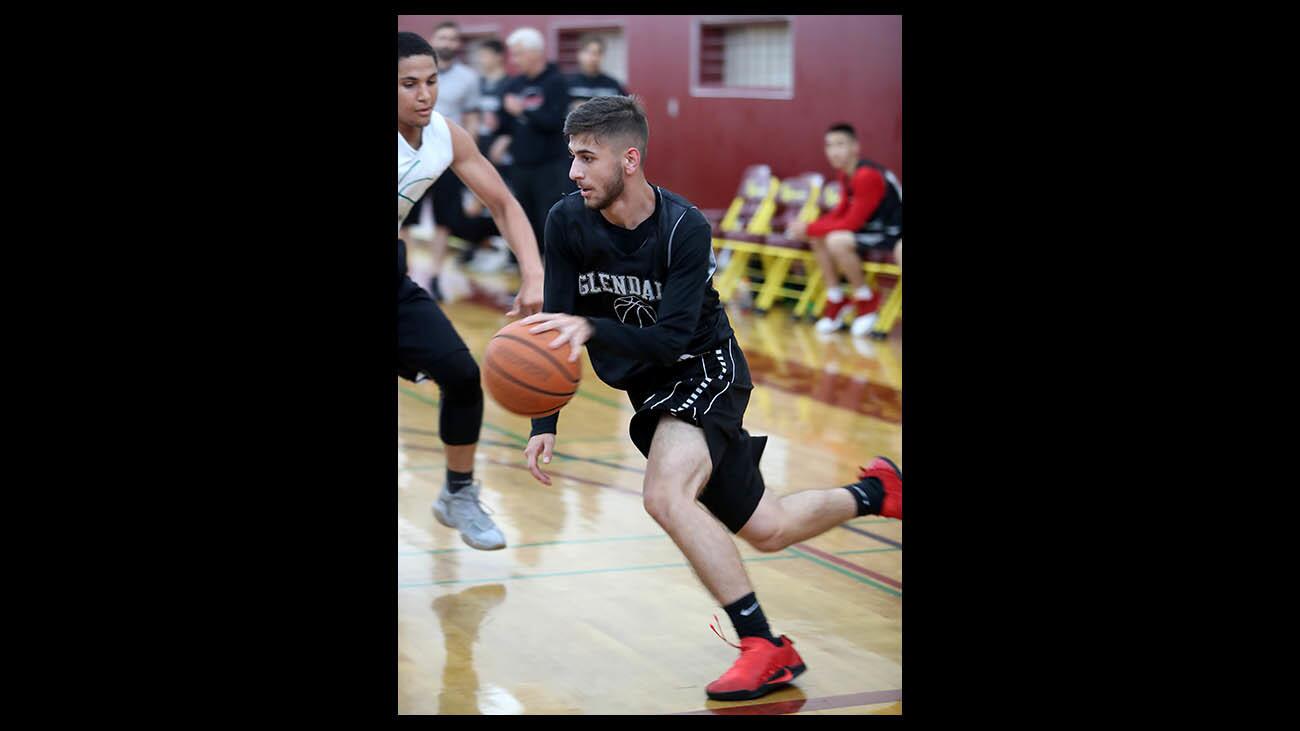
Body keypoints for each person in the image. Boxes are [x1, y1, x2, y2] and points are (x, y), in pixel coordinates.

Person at [518, 97, 903, 700]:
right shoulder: (566, 221)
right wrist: (545, 419)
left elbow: (671, 339)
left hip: (705, 368)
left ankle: (764, 645)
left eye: (587, 158)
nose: (574, 171)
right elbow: (558, 323)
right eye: (572, 157)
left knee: (665, 496)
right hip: (651, 389)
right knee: (768, 527)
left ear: (630, 158)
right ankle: (878, 491)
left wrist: (591, 329)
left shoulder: (683, 227)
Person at [397, 31, 544, 549]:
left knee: (461, 374)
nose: (425, 95)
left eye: (432, 81)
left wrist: (533, 272)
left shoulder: (445, 135)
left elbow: (502, 203)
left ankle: (458, 494)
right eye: (409, 84)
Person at [784, 123, 903, 337]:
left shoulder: (866, 175)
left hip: (894, 231)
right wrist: (809, 229)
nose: (834, 151)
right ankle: (836, 298)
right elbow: (840, 212)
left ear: (855, 147)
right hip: (876, 232)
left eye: (840, 144)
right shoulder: (845, 174)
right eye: (829, 145)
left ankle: (866, 298)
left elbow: (851, 223)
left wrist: (809, 227)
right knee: (817, 238)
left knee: (836, 240)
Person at [401, 21, 485, 299]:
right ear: (433, 39)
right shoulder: (409, 67)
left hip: (446, 156)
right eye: (442, 37)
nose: (447, 42)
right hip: (411, 154)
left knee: (442, 222)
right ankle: (408, 274)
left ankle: (435, 276)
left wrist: (467, 154)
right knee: (407, 221)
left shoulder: (468, 78)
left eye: (452, 38)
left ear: (457, 44)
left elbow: (472, 119)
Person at [499, 27, 576, 256]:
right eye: (513, 54)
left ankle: (553, 269)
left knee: (548, 219)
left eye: (519, 54)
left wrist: (523, 110)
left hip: (549, 166)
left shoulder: (556, 82)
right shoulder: (514, 84)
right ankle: (526, 269)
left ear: (535, 53)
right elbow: (507, 122)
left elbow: (555, 121)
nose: (514, 60)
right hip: (521, 165)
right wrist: (500, 132)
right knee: (523, 219)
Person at [566, 35, 627, 111]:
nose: (592, 58)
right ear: (579, 54)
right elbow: (556, 115)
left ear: (602, 56)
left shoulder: (613, 86)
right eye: (588, 52)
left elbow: (627, 113)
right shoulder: (567, 84)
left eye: (597, 53)